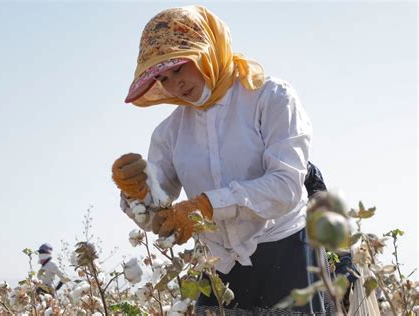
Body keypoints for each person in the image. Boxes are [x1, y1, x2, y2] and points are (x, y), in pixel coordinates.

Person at [112, 5, 334, 314]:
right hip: (219, 266)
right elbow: (157, 217)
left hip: (286, 255)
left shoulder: (270, 97)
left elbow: (285, 187)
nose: (175, 84)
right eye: (162, 77)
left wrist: (206, 206)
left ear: (206, 51)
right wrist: (136, 193)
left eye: (179, 68)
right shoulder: (169, 133)